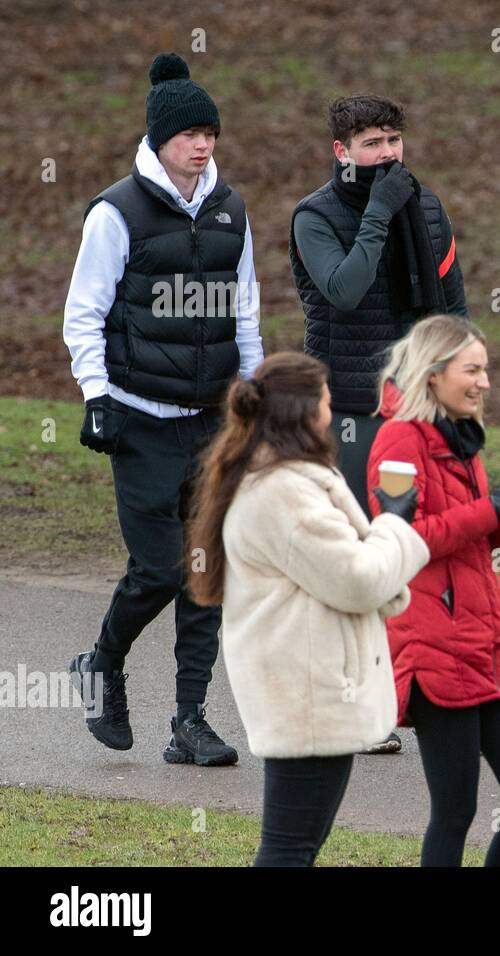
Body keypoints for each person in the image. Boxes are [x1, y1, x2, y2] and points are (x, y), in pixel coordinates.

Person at [65, 52, 262, 764]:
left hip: (212, 422)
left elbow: (246, 314)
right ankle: (102, 664)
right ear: (158, 139)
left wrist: (256, 396)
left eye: (210, 131)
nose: (202, 144)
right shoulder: (117, 212)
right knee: (161, 568)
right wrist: (95, 396)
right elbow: (82, 315)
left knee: (208, 568)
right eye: (188, 134)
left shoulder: (231, 208)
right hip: (138, 418)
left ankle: (189, 720)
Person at [185, 352, 428, 865]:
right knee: (288, 850)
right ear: (302, 411)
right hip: (307, 696)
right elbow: (359, 580)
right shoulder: (284, 494)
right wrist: (397, 525)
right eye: (325, 401)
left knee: (298, 846)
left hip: (311, 692)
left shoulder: (282, 478)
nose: (332, 411)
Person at [290, 93, 467, 754]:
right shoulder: (315, 216)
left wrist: (461, 398)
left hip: (416, 409)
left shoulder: (426, 207)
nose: (387, 154)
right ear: (342, 152)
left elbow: (453, 305)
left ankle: (395, 692)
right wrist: (379, 215)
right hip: (350, 411)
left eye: (393, 140)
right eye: (371, 144)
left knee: (411, 555)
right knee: (358, 560)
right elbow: (344, 289)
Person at [367, 315, 500, 866]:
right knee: (455, 811)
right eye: (473, 370)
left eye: (485, 369)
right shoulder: (398, 439)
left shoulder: (461, 436)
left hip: (485, 645)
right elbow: (404, 540)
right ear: (434, 374)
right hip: (432, 651)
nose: (485, 382)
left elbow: (470, 537)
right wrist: (489, 508)